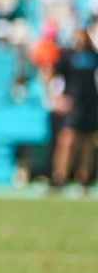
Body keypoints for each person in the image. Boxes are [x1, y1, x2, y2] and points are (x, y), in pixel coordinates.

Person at [50, 24, 98, 192]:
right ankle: (59, 177)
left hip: (91, 103)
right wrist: (57, 96)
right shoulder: (67, 55)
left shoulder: (94, 55)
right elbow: (52, 74)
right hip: (74, 102)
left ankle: (84, 178)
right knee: (67, 139)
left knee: (89, 141)